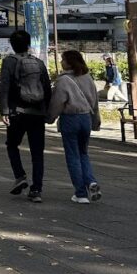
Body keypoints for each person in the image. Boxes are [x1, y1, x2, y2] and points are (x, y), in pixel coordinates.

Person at [0, 30, 52, 203]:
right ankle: (37, 190)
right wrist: (47, 110)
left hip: (17, 112)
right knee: (38, 152)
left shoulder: (9, 61)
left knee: (12, 145)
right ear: (28, 44)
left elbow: (5, 87)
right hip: (37, 113)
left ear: (12, 45)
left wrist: (4, 111)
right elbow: (47, 87)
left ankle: (20, 176)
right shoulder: (38, 62)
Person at [48, 50, 102, 204]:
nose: (61, 62)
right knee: (83, 153)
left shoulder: (63, 80)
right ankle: (91, 181)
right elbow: (95, 101)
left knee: (72, 156)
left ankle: (80, 193)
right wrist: (95, 120)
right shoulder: (87, 77)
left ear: (69, 62)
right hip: (86, 118)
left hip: (70, 119)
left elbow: (58, 102)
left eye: (62, 59)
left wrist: (50, 117)